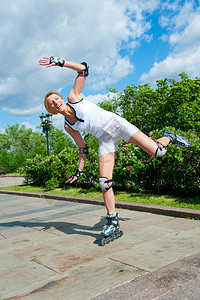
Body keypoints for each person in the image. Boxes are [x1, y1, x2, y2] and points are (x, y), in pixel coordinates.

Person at [39, 56, 192, 242]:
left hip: (116, 125)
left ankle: (169, 136)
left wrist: (60, 62)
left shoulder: (74, 98)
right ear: (52, 110)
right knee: (104, 182)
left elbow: (83, 69)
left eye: (56, 99)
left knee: (158, 152)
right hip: (104, 139)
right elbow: (82, 149)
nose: (55, 103)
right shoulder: (68, 126)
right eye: (51, 104)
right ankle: (112, 222)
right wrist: (79, 172)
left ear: (61, 98)